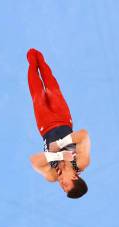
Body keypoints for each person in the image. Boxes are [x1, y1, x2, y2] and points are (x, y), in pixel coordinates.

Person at [26, 48, 91, 199]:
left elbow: (34, 161)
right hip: (63, 118)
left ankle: (31, 61)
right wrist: (62, 143)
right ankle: (40, 59)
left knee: (37, 93)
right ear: (75, 178)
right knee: (51, 88)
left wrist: (59, 155)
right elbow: (83, 135)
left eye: (63, 189)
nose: (61, 184)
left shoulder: (52, 175)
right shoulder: (81, 162)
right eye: (66, 185)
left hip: (44, 126)